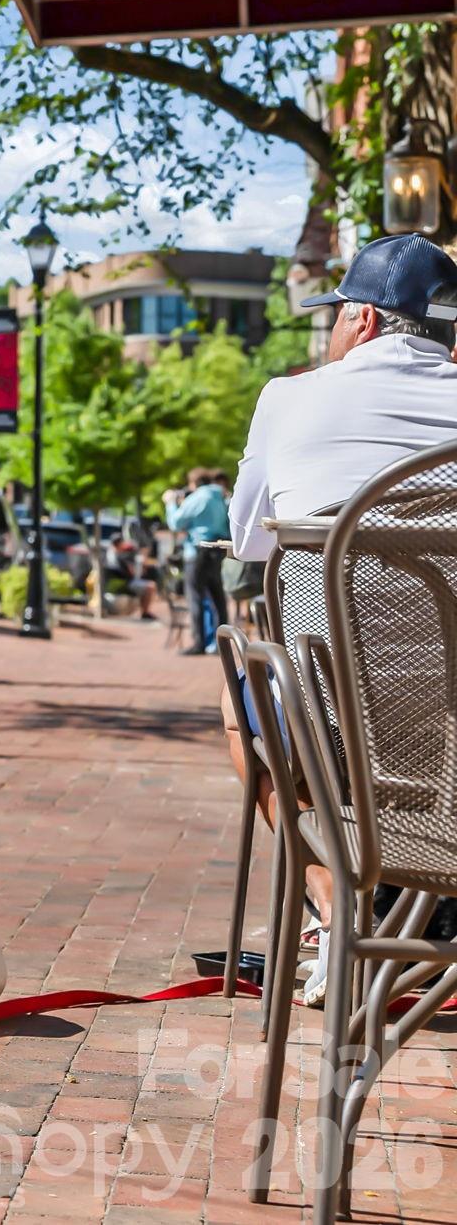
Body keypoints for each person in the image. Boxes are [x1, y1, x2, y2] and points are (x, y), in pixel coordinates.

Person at [222, 232, 457, 1006]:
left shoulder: (289, 398)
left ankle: (333, 902)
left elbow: (254, 537)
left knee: (240, 699)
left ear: (359, 318)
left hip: (338, 723)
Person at [167, 467, 231, 655]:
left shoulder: (199, 496)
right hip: (217, 550)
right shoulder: (220, 496)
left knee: (194, 597)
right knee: (218, 599)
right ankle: (222, 644)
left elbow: (175, 523)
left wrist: (171, 503)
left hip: (198, 551)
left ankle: (199, 643)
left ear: (194, 483)